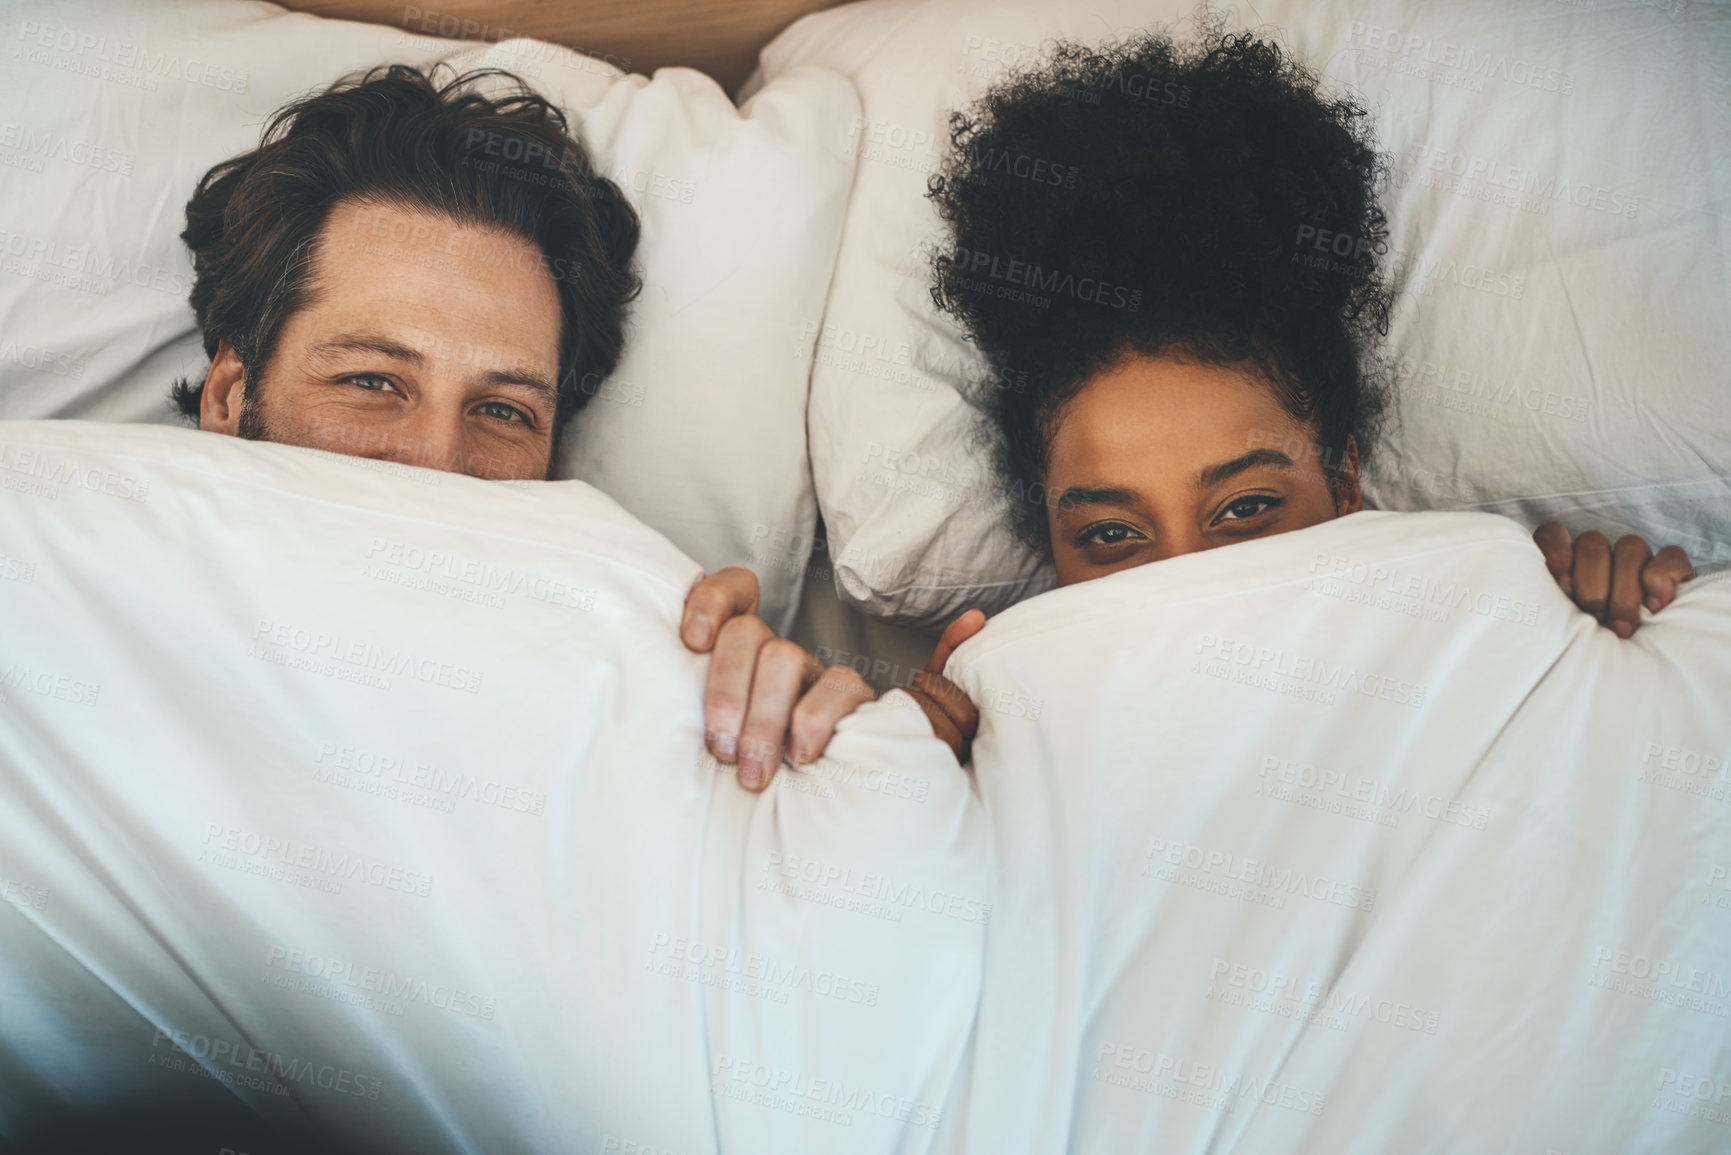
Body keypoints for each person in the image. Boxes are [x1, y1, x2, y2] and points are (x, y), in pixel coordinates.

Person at [702, 26, 1698, 783]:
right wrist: (925, 781)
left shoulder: (1500, 628)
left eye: (1247, 511)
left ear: (1345, 485)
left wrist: (1576, 644)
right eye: (1112, 535)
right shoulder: (998, 743)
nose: (1186, 591)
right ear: (1050, 552)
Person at [166, 63, 901, 783]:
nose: (436, 465)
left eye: (500, 411)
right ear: (229, 395)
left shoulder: (618, 708)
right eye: (371, 380)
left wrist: (835, 761)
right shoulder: (72, 580)